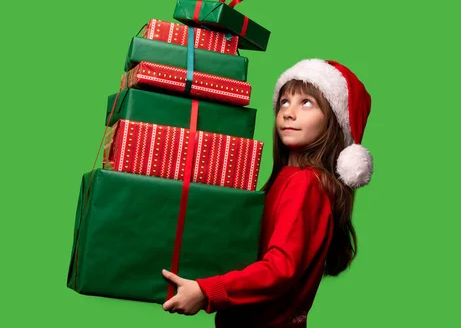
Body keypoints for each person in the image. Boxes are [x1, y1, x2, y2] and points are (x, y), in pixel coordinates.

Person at [160, 58, 374, 327]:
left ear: (333, 122)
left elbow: (279, 270)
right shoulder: (287, 180)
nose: (288, 112)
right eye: (284, 101)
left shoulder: (307, 184)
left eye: (306, 102)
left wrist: (206, 292)